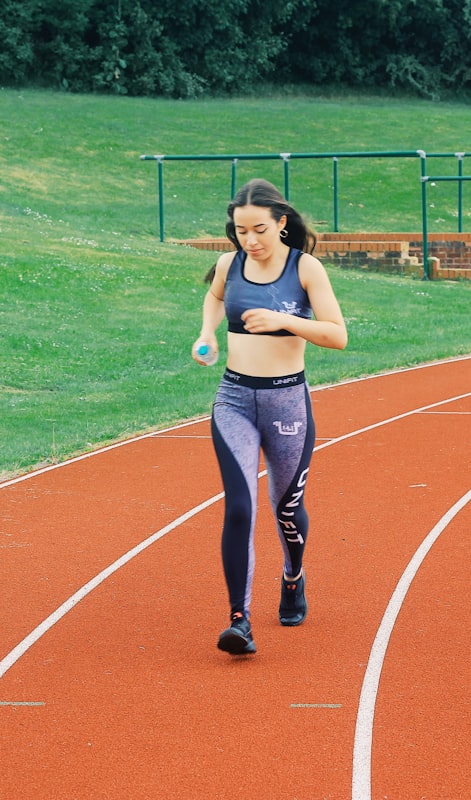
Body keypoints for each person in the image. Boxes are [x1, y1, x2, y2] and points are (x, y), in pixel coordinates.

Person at [192, 178, 348, 655]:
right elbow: (217, 297)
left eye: (259, 229)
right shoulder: (228, 265)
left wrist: (283, 320)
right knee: (240, 507)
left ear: (281, 223)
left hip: (286, 403)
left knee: (285, 509)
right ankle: (239, 620)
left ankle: (293, 576)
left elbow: (337, 335)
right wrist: (208, 334)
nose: (250, 241)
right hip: (234, 399)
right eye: (241, 231)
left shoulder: (306, 269)